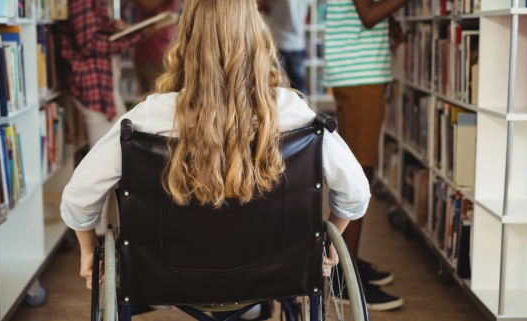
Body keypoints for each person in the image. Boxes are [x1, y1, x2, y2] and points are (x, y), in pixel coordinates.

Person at [60, 0, 371, 318]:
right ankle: (248, 300)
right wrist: (328, 241)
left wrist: (88, 252)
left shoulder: (146, 118)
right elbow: (356, 193)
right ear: (256, 37)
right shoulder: (294, 113)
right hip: (276, 273)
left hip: (169, 277)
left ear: (185, 40)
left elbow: (78, 200)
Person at [324, 0, 408, 311]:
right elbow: (368, 15)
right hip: (358, 74)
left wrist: (391, 21)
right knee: (358, 175)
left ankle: (351, 262)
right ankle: (343, 278)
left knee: (359, 171)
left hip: (356, 71)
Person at [60, 0, 167, 236]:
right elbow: (88, 45)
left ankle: (108, 226)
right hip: (94, 85)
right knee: (105, 161)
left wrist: (116, 29)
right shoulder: (83, 1)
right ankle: (97, 231)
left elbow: (94, 35)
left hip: (105, 81)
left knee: (117, 154)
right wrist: (134, 36)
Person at [258, 0, 312, 94]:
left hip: (277, 43)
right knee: (298, 89)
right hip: (297, 43)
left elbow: (262, 9)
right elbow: (309, 18)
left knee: (274, 88)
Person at [131, 0, 179, 93]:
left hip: (158, 54)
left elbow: (149, 4)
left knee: (159, 99)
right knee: (145, 101)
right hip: (143, 52)